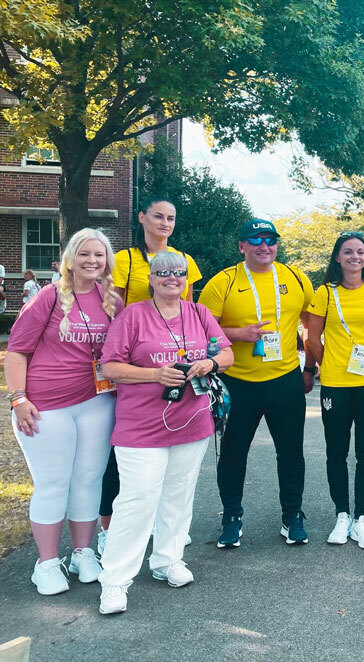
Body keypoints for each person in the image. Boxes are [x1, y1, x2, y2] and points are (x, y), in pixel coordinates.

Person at [96, 251, 233, 614]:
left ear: (187, 279)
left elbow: (227, 354)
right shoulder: (132, 316)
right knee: (137, 499)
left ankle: (167, 559)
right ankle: (115, 580)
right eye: (163, 272)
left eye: (179, 273)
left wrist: (210, 362)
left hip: (192, 420)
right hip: (141, 425)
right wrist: (155, 374)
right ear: (151, 279)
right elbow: (110, 367)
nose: (172, 278)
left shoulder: (199, 313)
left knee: (179, 493)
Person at [5, 228, 120, 595]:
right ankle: (46, 562)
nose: (92, 261)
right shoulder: (48, 297)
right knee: (53, 482)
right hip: (46, 405)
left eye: (99, 255)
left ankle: (83, 552)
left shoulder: (111, 300)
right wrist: (18, 398)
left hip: (97, 403)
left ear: (107, 261)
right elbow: (16, 351)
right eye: (84, 253)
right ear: (71, 258)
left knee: (89, 479)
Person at [199, 219, 316, 548]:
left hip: (285, 379)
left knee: (291, 452)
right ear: (242, 246)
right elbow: (202, 331)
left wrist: (309, 366)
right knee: (233, 454)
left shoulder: (295, 277)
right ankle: (231, 516)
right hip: (238, 381)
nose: (264, 246)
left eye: (270, 239)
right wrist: (239, 334)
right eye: (256, 240)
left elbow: (311, 324)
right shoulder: (223, 281)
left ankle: (292, 515)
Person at [99, 196, 202, 551]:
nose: (165, 223)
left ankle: (164, 528)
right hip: (132, 357)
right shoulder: (125, 260)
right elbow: (112, 306)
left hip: (170, 359)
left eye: (171, 218)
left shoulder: (183, 259)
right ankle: (108, 528)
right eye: (158, 216)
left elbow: (186, 307)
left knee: (173, 458)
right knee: (123, 455)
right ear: (141, 217)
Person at [305, 232, 364, 549]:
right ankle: (342, 516)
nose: (355, 257)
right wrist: (329, 364)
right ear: (337, 258)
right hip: (336, 384)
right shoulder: (324, 293)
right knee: (336, 452)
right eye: (348, 252)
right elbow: (312, 338)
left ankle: (362, 519)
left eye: (360, 252)